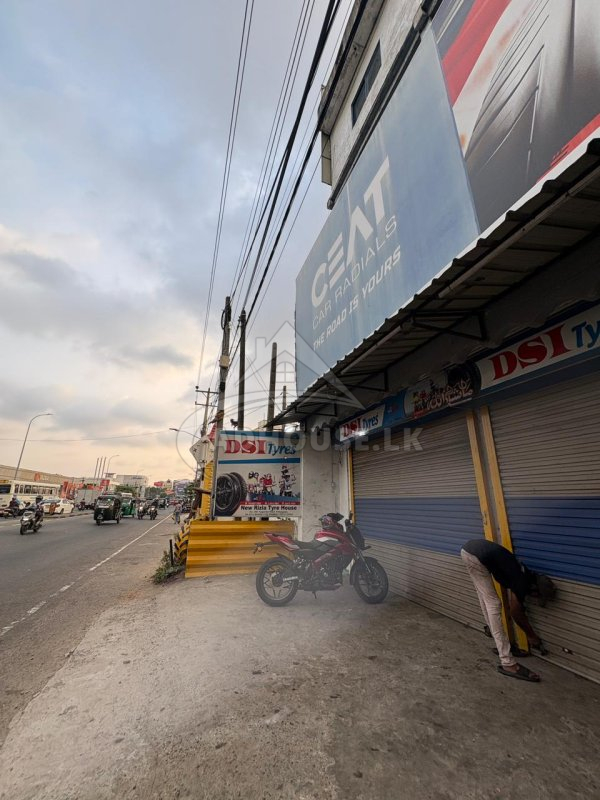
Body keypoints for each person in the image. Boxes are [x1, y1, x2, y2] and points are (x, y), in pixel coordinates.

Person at [461, 539, 556, 682]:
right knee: (494, 603)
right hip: (476, 556)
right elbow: (515, 612)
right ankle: (508, 663)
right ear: (535, 589)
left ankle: (499, 640)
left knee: (485, 598)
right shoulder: (522, 582)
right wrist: (532, 636)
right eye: (538, 596)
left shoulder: (523, 573)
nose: (535, 598)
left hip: (470, 550)